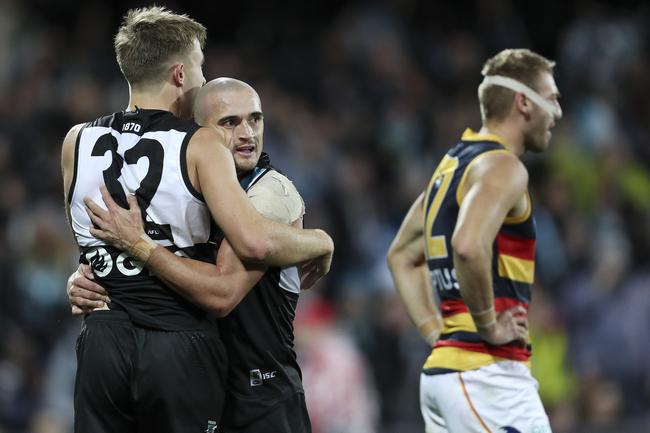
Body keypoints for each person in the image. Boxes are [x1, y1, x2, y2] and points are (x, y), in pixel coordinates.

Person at [61, 7, 333, 433]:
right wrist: (322, 240)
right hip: (179, 342)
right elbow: (253, 244)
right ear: (180, 75)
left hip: (102, 341)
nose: (203, 79)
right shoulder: (200, 145)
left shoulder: (76, 141)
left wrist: (93, 271)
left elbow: (90, 238)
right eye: (200, 68)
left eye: (254, 120)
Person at [387, 48, 562, 433]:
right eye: (551, 99)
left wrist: (435, 333)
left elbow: (401, 255)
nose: (558, 113)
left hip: (451, 375)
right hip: (486, 375)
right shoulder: (503, 166)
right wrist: (488, 325)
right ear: (523, 103)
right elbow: (468, 244)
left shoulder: (450, 168)